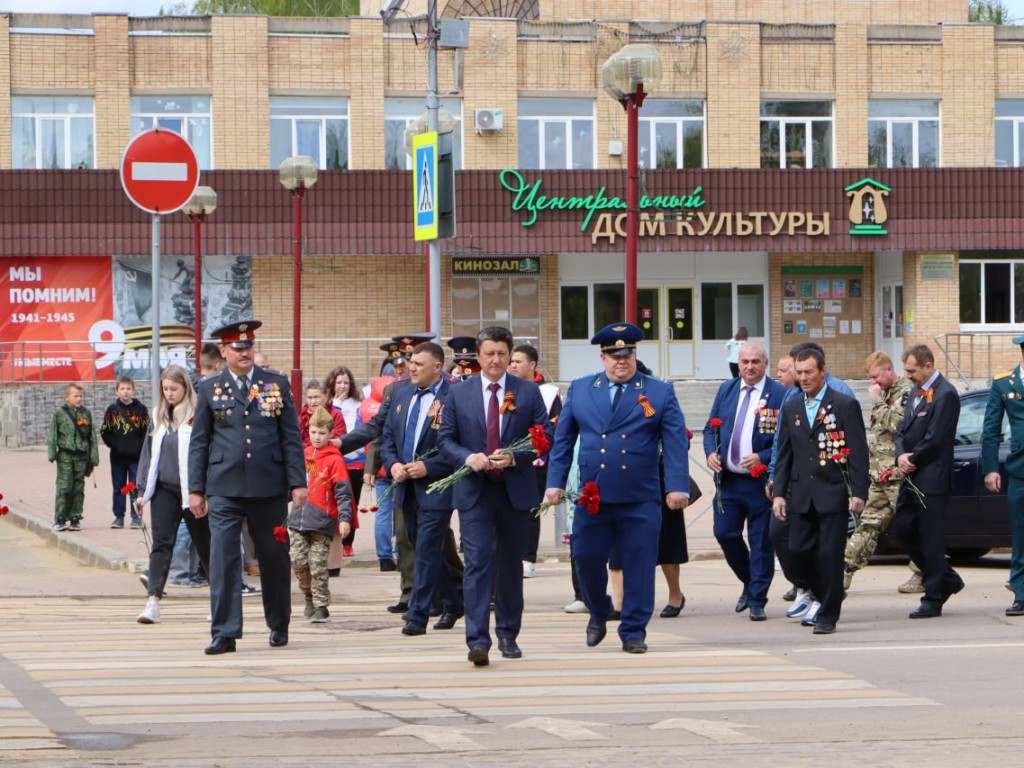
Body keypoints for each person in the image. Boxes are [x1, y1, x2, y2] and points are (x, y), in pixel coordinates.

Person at [545, 322, 690, 654]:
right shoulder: (582, 389)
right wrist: (554, 483)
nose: (620, 361)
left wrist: (677, 485)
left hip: (639, 495)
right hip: (593, 496)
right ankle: (598, 609)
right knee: (584, 557)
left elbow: (674, 442)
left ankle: (634, 630)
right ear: (603, 357)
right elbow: (564, 441)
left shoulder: (658, 391)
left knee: (639, 564)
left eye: (627, 355)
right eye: (614, 356)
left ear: (635, 355)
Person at [188, 319, 307, 655]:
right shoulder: (210, 387)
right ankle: (225, 632)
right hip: (224, 486)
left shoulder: (275, 383)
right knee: (224, 558)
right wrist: (196, 489)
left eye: (248, 347)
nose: (244, 353)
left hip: (268, 486)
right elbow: (200, 442)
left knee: (273, 557)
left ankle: (279, 622)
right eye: (237, 348)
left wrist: (298, 481)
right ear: (223, 351)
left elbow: (291, 438)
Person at [439, 326, 549, 667]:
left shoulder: (528, 393)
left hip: (514, 488)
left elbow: (544, 437)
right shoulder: (459, 393)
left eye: (502, 353)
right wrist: (467, 457)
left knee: (509, 565)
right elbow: (445, 439)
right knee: (478, 562)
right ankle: (477, 640)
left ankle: (508, 634)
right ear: (479, 356)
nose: (496, 360)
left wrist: (516, 456)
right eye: (489, 353)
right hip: (475, 490)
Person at [772, 347, 869, 634]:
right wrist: (779, 492)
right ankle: (826, 592)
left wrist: (858, 492)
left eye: (808, 372)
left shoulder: (843, 404)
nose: (803, 378)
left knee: (830, 554)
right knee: (798, 549)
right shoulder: (792, 407)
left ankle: (828, 615)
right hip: (802, 493)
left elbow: (858, 453)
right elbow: (784, 455)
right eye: (799, 373)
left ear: (822, 371)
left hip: (834, 492)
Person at [380, 341, 463, 636]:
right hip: (406, 486)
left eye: (418, 364)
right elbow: (388, 438)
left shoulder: (454, 396)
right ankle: (454, 602)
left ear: (437, 367)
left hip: (437, 487)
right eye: (410, 362)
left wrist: (431, 466)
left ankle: (418, 614)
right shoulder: (401, 394)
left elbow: (459, 445)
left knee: (427, 548)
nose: (411, 368)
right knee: (424, 548)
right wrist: (392, 465)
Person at [704, 341, 788, 621]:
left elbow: (786, 440)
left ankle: (757, 599)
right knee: (725, 533)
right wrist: (710, 453)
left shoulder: (780, 394)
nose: (749, 367)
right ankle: (750, 581)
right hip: (728, 481)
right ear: (737, 364)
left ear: (765, 363)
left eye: (755, 362)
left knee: (761, 542)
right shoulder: (727, 390)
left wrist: (763, 456)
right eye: (744, 362)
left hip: (760, 482)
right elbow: (709, 428)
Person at [891, 344, 964, 619]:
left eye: (912, 370)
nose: (907, 375)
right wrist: (900, 456)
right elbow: (902, 430)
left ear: (928, 366)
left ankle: (933, 596)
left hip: (932, 477)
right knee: (903, 528)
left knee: (931, 539)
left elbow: (937, 438)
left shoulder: (946, 394)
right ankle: (947, 579)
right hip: (911, 476)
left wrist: (912, 458)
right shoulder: (915, 392)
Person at [135, 365, 211, 625]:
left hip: (193, 492)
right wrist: (142, 490)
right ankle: (153, 601)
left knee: (206, 545)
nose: (169, 394)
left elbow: (206, 453)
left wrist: (204, 491)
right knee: (161, 545)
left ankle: (219, 600)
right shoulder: (158, 416)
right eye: (165, 389)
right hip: (164, 490)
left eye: (174, 389)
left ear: (185, 388)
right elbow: (147, 455)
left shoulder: (198, 414)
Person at [844, 351, 919, 591]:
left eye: (876, 377)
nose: (873, 383)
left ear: (889, 369)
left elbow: (899, 424)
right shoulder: (885, 393)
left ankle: (923, 573)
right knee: (867, 524)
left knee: (913, 526)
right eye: (871, 378)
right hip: (879, 475)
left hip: (898, 475)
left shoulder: (907, 391)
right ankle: (845, 569)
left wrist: (877, 401)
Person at [289, 406, 353, 623]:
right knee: (298, 560)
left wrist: (344, 519)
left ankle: (321, 604)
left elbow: (343, 492)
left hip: (322, 521)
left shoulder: (335, 460)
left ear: (331, 434)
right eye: (313, 432)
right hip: (298, 518)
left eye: (322, 433)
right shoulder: (303, 455)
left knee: (318, 563)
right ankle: (307, 595)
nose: (317, 437)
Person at [509, 343, 563, 579]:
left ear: (532, 365)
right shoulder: (506, 389)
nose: (513, 365)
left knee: (531, 510)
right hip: (509, 459)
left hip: (538, 461)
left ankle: (527, 558)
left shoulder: (549, 392)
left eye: (518, 361)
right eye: (512, 361)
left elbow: (555, 426)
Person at [982, 335, 1024, 617]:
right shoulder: (1003, 382)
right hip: (1020, 468)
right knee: (1020, 534)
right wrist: (990, 468)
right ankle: (1021, 593)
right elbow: (991, 429)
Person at [325, 365, 369, 568]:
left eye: (346, 382)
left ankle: (348, 541)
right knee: (335, 502)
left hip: (355, 461)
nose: (342, 386)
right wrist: (338, 405)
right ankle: (333, 540)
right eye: (339, 382)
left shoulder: (358, 404)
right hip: (334, 461)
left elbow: (362, 431)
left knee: (352, 502)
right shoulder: (328, 405)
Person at [47, 383, 99, 532]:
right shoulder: (59, 413)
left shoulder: (86, 413)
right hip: (65, 455)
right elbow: (52, 434)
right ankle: (60, 518)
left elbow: (92, 437)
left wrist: (94, 456)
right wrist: (52, 452)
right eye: (75, 396)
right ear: (67, 397)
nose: (79, 399)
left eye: (81, 396)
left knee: (78, 487)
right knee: (64, 487)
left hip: (81, 457)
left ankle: (76, 516)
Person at [100, 376, 150, 529]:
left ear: (133, 390)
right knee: (119, 487)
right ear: (117, 391)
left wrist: (140, 449)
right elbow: (105, 431)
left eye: (128, 388)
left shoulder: (141, 410)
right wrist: (115, 445)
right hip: (118, 458)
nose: (125, 392)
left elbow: (146, 432)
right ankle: (118, 516)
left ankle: (136, 517)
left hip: (136, 458)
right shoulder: (112, 410)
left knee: (135, 487)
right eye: (122, 389)